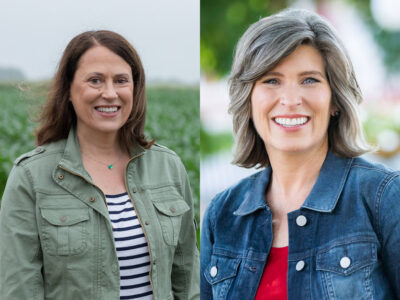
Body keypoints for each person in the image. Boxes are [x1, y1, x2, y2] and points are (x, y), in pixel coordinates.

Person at [200, 8, 400, 300]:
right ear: (249, 100)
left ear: (335, 100)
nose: (291, 100)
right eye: (271, 80)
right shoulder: (223, 215)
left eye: (309, 80)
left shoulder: (383, 197)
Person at [0, 30, 199, 300]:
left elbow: (188, 283)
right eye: (95, 80)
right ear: (68, 90)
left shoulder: (169, 167)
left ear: (134, 88)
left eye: (121, 81)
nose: (109, 93)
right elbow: (19, 290)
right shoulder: (30, 177)